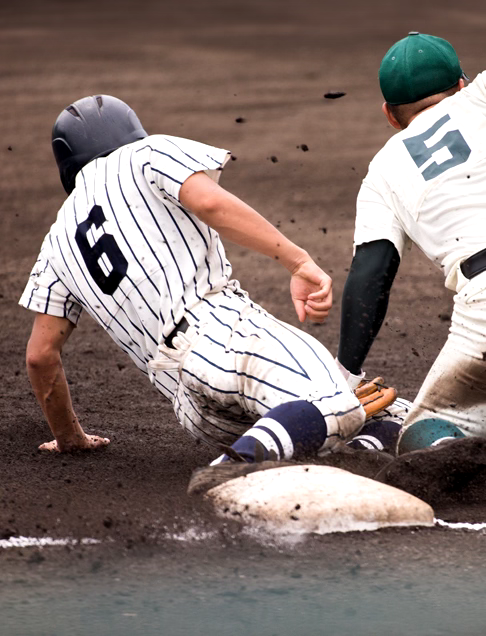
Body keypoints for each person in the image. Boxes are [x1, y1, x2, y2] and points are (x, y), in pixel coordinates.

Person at [20, 94, 370, 466]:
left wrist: (70, 438)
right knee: (338, 407)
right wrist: (298, 261)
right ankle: (228, 471)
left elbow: (40, 356)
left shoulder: (56, 243)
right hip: (226, 337)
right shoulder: (146, 153)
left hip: (194, 408)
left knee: (351, 424)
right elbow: (210, 203)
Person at [337, 31, 486, 455]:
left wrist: (344, 378)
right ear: (461, 83)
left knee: (423, 432)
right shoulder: (479, 96)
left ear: (390, 114)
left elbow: (371, 275)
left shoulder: (382, 172)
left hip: (482, 308)